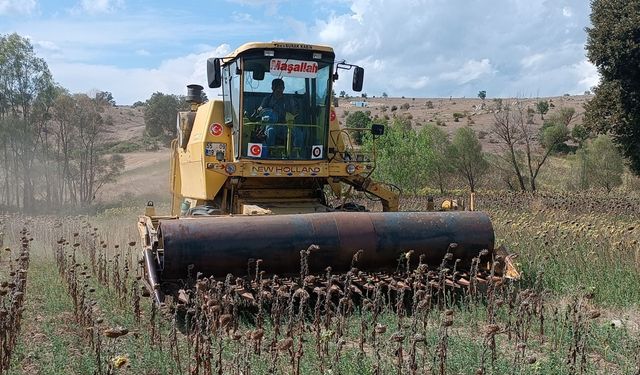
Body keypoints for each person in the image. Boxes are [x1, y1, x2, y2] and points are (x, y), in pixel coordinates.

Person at [258, 79, 303, 152]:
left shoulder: (288, 100)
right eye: (277, 88)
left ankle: (296, 153)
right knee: (270, 131)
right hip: (271, 124)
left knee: (299, 133)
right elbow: (261, 109)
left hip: (286, 125)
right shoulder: (267, 99)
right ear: (272, 88)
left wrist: (294, 110)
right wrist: (260, 110)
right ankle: (270, 153)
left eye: (281, 88)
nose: (279, 90)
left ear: (284, 88)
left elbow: (294, 111)